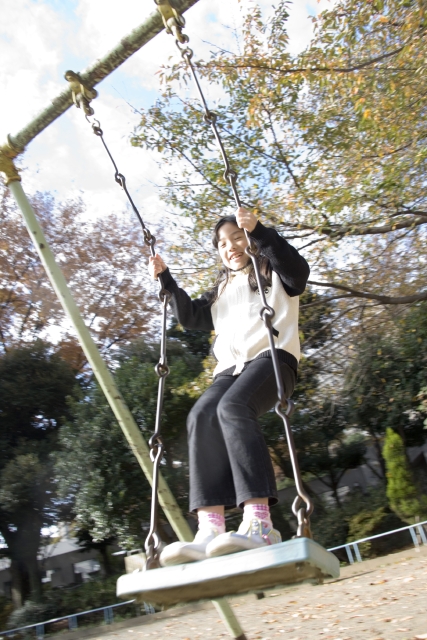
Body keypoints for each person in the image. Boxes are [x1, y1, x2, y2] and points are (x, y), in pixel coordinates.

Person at [148, 207, 310, 566]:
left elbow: (299, 271)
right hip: (230, 370)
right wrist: (166, 281)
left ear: (249, 237)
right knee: (202, 415)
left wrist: (262, 232)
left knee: (232, 408)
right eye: (222, 242)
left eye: (237, 236)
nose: (230, 246)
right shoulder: (221, 289)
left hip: (273, 359)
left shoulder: (274, 270)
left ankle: (260, 523)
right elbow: (190, 316)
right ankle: (211, 526)